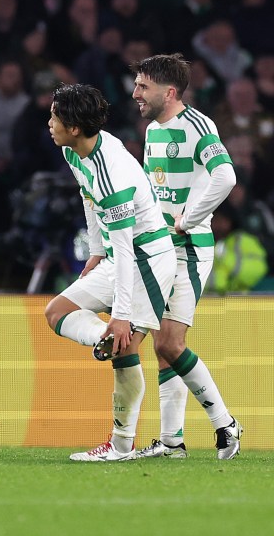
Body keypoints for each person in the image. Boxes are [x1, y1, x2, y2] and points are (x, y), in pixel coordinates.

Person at [43, 83, 176, 462]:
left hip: (147, 258)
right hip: (118, 254)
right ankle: (104, 335)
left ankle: (120, 445)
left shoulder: (111, 173)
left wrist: (120, 317)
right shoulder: (75, 151)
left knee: (126, 346)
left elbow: (126, 247)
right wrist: (95, 251)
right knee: (55, 311)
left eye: (54, 117)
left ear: (73, 127)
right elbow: (88, 200)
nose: (48, 123)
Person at [130, 53, 243, 460]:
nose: (135, 93)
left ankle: (225, 422)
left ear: (169, 91)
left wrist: (189, 218)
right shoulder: (152, 131)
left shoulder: (197, 126)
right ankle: (171, 441)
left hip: (188, 250)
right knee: (163, 344)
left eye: (143, 86)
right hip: (159, 247)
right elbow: (149, 189)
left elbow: (226, 175)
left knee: (172, 343)